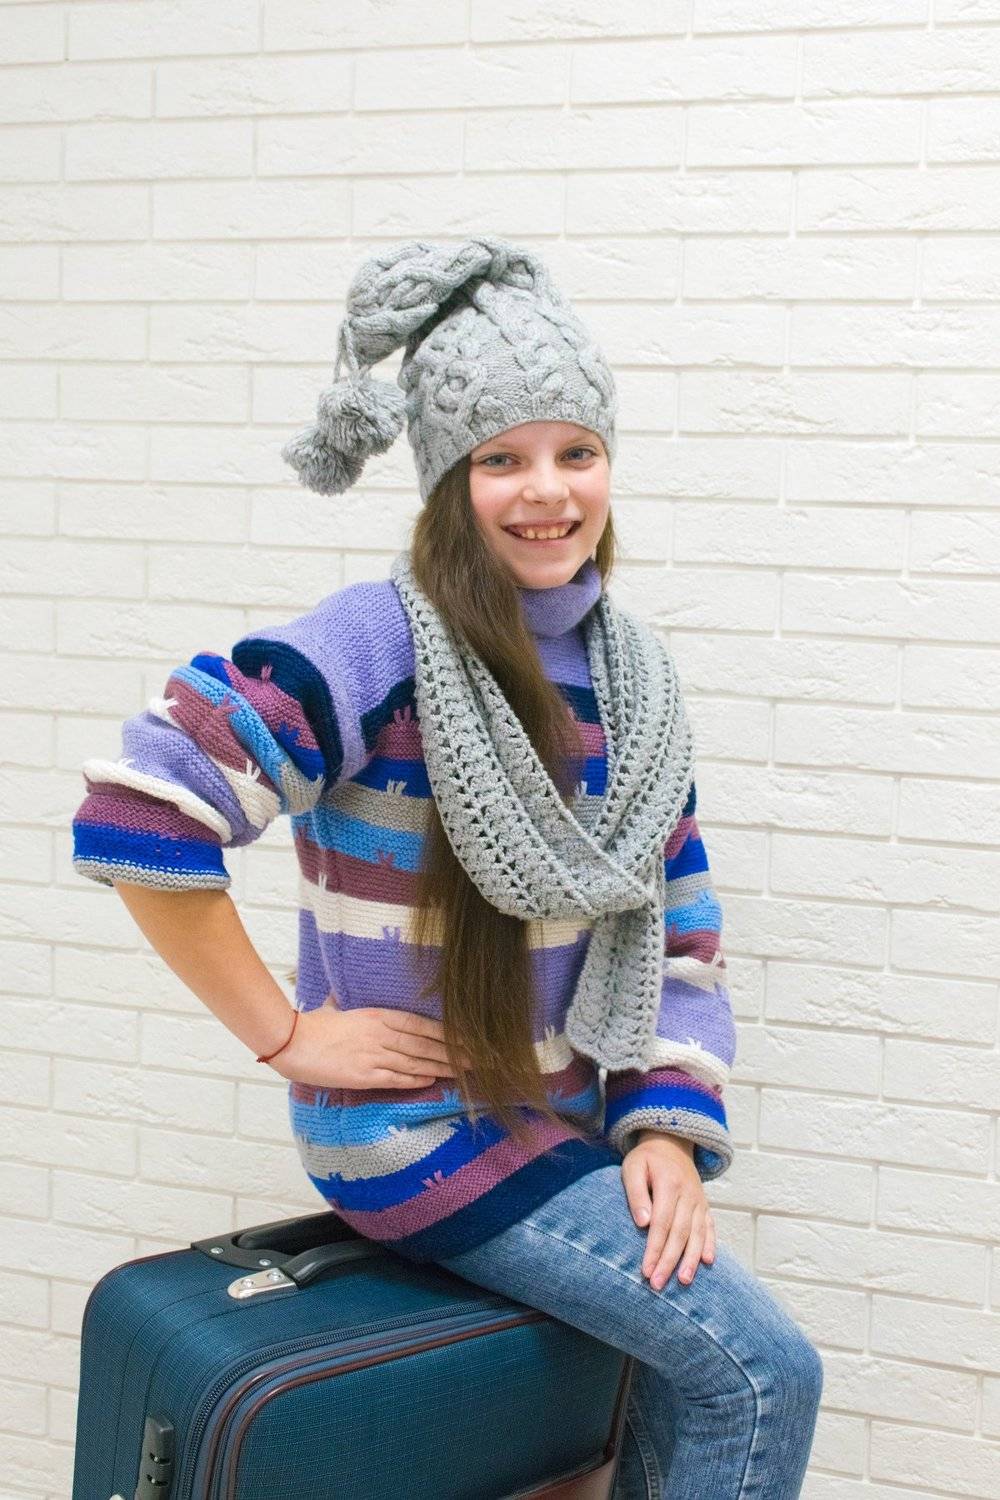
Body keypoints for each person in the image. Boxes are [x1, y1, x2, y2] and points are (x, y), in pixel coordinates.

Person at [71, 236, 823, 1497]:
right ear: (444, 479)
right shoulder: (377, 644)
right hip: (414, 1137)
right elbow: (141, 809)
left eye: (576, 451)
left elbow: (678, 923)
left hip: (558, 1126)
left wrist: (662, 1124)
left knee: (678, 1372)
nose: (548, 491)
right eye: (501, 459)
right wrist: (284, 1035)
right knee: (757, 1373)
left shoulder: (634, 677)